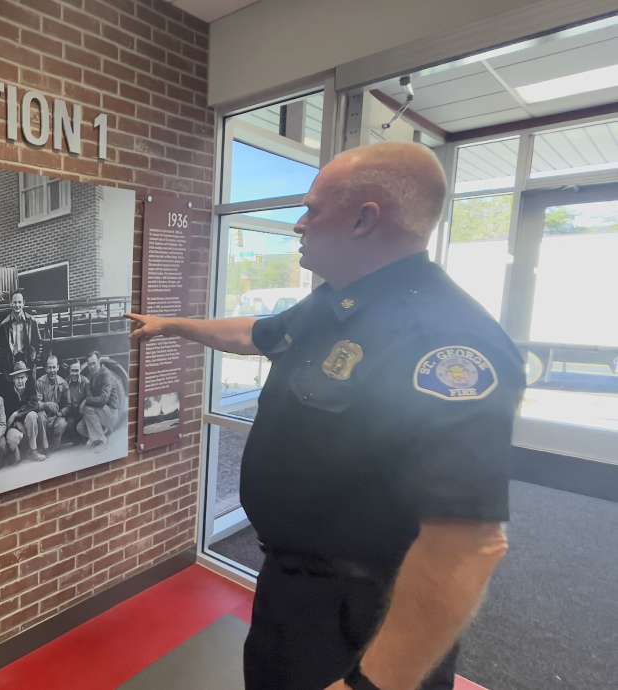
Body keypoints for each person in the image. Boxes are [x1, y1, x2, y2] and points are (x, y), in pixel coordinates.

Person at [127, 142, 524, 690]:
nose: (298, 225)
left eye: (312, 210)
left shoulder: (445, 342)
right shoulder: (336, 304)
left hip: (365, 618)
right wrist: (172, 325)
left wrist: (370, 685)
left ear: (364, 219)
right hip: (293, 592)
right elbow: (254, 334)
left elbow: (467, 545)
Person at [0, 360, 48, 463]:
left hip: (28, 423)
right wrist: (15, 421)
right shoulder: (8, 393)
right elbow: (6, 416)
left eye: (22, 377)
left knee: (32, 415)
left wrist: (16, 413)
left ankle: (34, 451)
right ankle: (19, 451)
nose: (20, 381)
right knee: (15, 459)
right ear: (13, 380)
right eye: (17, 378)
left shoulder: (30, 389)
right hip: (15, 426)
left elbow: (34, 405)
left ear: (26, 378)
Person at [0, 289, 44, 375]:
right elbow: (0, 349)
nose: (17, 305)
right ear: (10, 304)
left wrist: (35, 360)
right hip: (11, 362)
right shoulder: (4, 324)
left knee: (29, 383)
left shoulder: (31, 321)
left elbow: (39, 342)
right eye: (14, 302)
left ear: (23, 303)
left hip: (28, 361)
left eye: (19, 302)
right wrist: (5, 364)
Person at [77, 351, 118, 449]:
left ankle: (101, 438)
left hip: (110, 412)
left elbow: (103, 399)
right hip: (100, 411)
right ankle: (101, 432)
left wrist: (86, 400)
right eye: (89, 364)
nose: (91, 367)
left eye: (94, 363)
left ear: (99, 361)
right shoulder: (92, 375)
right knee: (80, 428)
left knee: (87, 408)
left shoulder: (106, 374)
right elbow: (90, 395)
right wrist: (87, 388)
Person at [35, 353, 71, 450]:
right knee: (40, 416)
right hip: (44, 415)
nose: (52, 371)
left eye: (54, 367)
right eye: (49, 368)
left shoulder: (63, 383)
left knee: (62, 423)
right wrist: (46, 405)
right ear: (46, 369)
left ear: (58, 367)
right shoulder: (39, 382)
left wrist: (60, 413)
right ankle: (44, 445)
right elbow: (36, 403)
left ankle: (55, 444)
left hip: (57, 416)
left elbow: (68, 405)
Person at [64, 358, 90, 444]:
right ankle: (76, 439)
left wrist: (83, 403)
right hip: (72, 412)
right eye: (72, 371)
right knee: (70, 423)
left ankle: (87, 434)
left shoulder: (85, 381)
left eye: (77, 370)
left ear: (80, 370)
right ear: (69, 371)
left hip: (83, 412)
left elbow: (90, 397)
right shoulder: (65, 383)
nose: (75, 373)